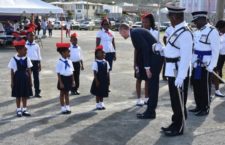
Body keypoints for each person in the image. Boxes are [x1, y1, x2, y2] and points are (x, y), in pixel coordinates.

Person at [160, 4, 193, 136]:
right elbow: (172, 50)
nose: (168, 18)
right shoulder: (176, 29)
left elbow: (186, 57)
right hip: (171, 69)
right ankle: (175, 122)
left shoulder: (185, 33)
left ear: (175, 17)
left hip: (179, 71)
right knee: (174, 100)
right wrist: (161, 49)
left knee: (179, 101)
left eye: (169, 16)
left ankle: (179, 127)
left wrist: (181, 76)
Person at [119, 23, 163, 119]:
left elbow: (145, 49)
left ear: (124, 30)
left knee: (153, 85)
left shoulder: (134, 33)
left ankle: (151, 112)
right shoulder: (135, 32)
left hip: (155, 58)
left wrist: (147, 68)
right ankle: (150, 111)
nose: (121, 36)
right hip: (155, 58)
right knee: (152, 85)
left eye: (121, 34)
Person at [189, 11, 220, 116]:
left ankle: (205, 107)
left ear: (203, 19)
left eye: (196, 21)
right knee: (196, 85)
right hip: (196, 63)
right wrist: (192, 61)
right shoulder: (196, 32)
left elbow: (216, 50)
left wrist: (212, 66)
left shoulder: (212, 31)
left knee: (204, 87)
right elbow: (195, 48)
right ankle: (198, 105)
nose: (195, 23)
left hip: (206, 64)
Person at [134, 13, 159, 106]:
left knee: (148, 79)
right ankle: (138, 98)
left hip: (151, 58)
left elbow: (158, 47)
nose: (145, 24)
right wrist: (135, 62)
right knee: (139, 78)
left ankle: (146, 97)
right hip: (140, 58)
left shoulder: (156, 33)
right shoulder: (138, 32)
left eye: (147, 22)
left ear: (151, 22)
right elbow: (136, 48)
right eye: (143, 22)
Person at [8, 39, 33, 117]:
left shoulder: (27, 59)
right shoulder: (13, 59)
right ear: (19, 50)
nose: (26, 52)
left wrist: (30, 80)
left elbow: (29, 70)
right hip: (17, 78)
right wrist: (12, 82)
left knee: (25, 95)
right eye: (24, 50)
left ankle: (24, 109)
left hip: (25, 78)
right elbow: (12, 71)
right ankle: (18, 109)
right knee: (18, 95)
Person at [96, 18, 116, 91]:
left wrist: (114, 53)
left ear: (109, 24)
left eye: (107, 24)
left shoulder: (112, 33)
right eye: (104, 24)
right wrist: (97, 55)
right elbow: (97, 44)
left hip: (110, 53)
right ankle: (100, 85)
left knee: (108, 70)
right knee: (102, 70)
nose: (106, 25)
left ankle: (107, 86)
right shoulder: (99, 33)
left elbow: (113, 43)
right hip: (102, 54)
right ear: (102, 25)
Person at [56, 42, 75, 114]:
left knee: (67, 93)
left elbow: (72, 71)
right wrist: (60, 82)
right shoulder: (59, 62)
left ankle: (68, 106)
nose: (69, 52)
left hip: (69, 78)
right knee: (62, 94)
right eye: (68, 51)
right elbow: (58, 73)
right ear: (63, 53)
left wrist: (73, 81)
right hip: (63, 79)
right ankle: (62, 107)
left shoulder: (69, 61)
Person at [90, 45, 110, 110]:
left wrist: (108, 79)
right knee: (98, 92)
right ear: (97, 55)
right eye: (102, 53)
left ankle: (101, 103)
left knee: (102, 92)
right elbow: (95, 72)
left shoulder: (106, 62)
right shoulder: (95, 63)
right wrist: (96, 81)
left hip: (104, 79)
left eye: (104, 53)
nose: (103, 54)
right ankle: (97, 104)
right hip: (98, 79)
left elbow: (108, 72)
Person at [25, 32, 42, 98]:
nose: (32, 37)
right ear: (27, 36)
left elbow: (39, 55)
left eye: (33, 35)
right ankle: (28, 93)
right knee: (28, 78)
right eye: (30, 35)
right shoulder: (25, 45)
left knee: (36, 78)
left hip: (35, 62)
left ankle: (37, 92)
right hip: (27, 63)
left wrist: (39, 64)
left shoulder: (36, 45)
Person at [212, 20, 225, 97]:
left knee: (217, 71)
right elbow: (218, 47)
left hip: (222, 55)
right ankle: (217, 90)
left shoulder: (222, 33)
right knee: (215, 72)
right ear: (221, 27)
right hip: (218, 55)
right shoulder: (216, 34)